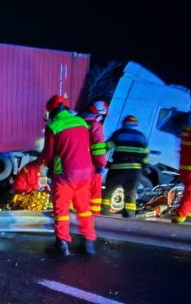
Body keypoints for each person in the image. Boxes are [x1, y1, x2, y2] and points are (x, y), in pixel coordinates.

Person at [37, 94, 97, 256]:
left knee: (61, 211)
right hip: (85, 173)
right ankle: (89, 243)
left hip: (65, 175)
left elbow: (48, 154)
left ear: (52, 110)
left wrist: (40, 164)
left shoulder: (54, 126)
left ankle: (62, 245)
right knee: (84, 208)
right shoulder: (82, 122)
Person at [101, 115, 150, 218]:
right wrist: (143, 167)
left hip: (118, 169)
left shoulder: (119, 134)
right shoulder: (142, 137)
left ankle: (104, 213)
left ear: (124, 123)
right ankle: (129, 216)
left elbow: (106, 147)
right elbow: (145, 156)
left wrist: (98, 158)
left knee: (108, 192)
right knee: (131, 194)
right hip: (134, 172)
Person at [79, 100, 109, 215]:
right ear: (99, 115)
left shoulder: (76, 122)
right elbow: (98, 149)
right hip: (90, 164)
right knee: (94, 192)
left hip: (74, 162)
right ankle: (94, 217)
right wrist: (102, 165)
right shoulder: (95, 126)